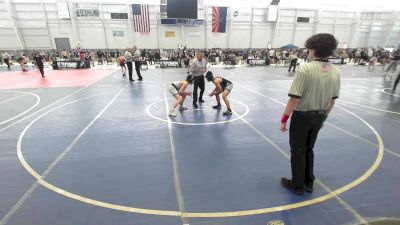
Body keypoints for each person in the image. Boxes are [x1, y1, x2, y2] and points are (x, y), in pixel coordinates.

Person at [279, 33, 340, 195]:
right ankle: (308, 181)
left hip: (302, 117)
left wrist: (284, 119)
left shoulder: (305, 69)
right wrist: (323, 118)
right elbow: (332, 101)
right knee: (309, 149)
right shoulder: (335, 71)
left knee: (297, 150)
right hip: (319, 116)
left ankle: (297, 184)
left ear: (313, 50)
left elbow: (294, 99)